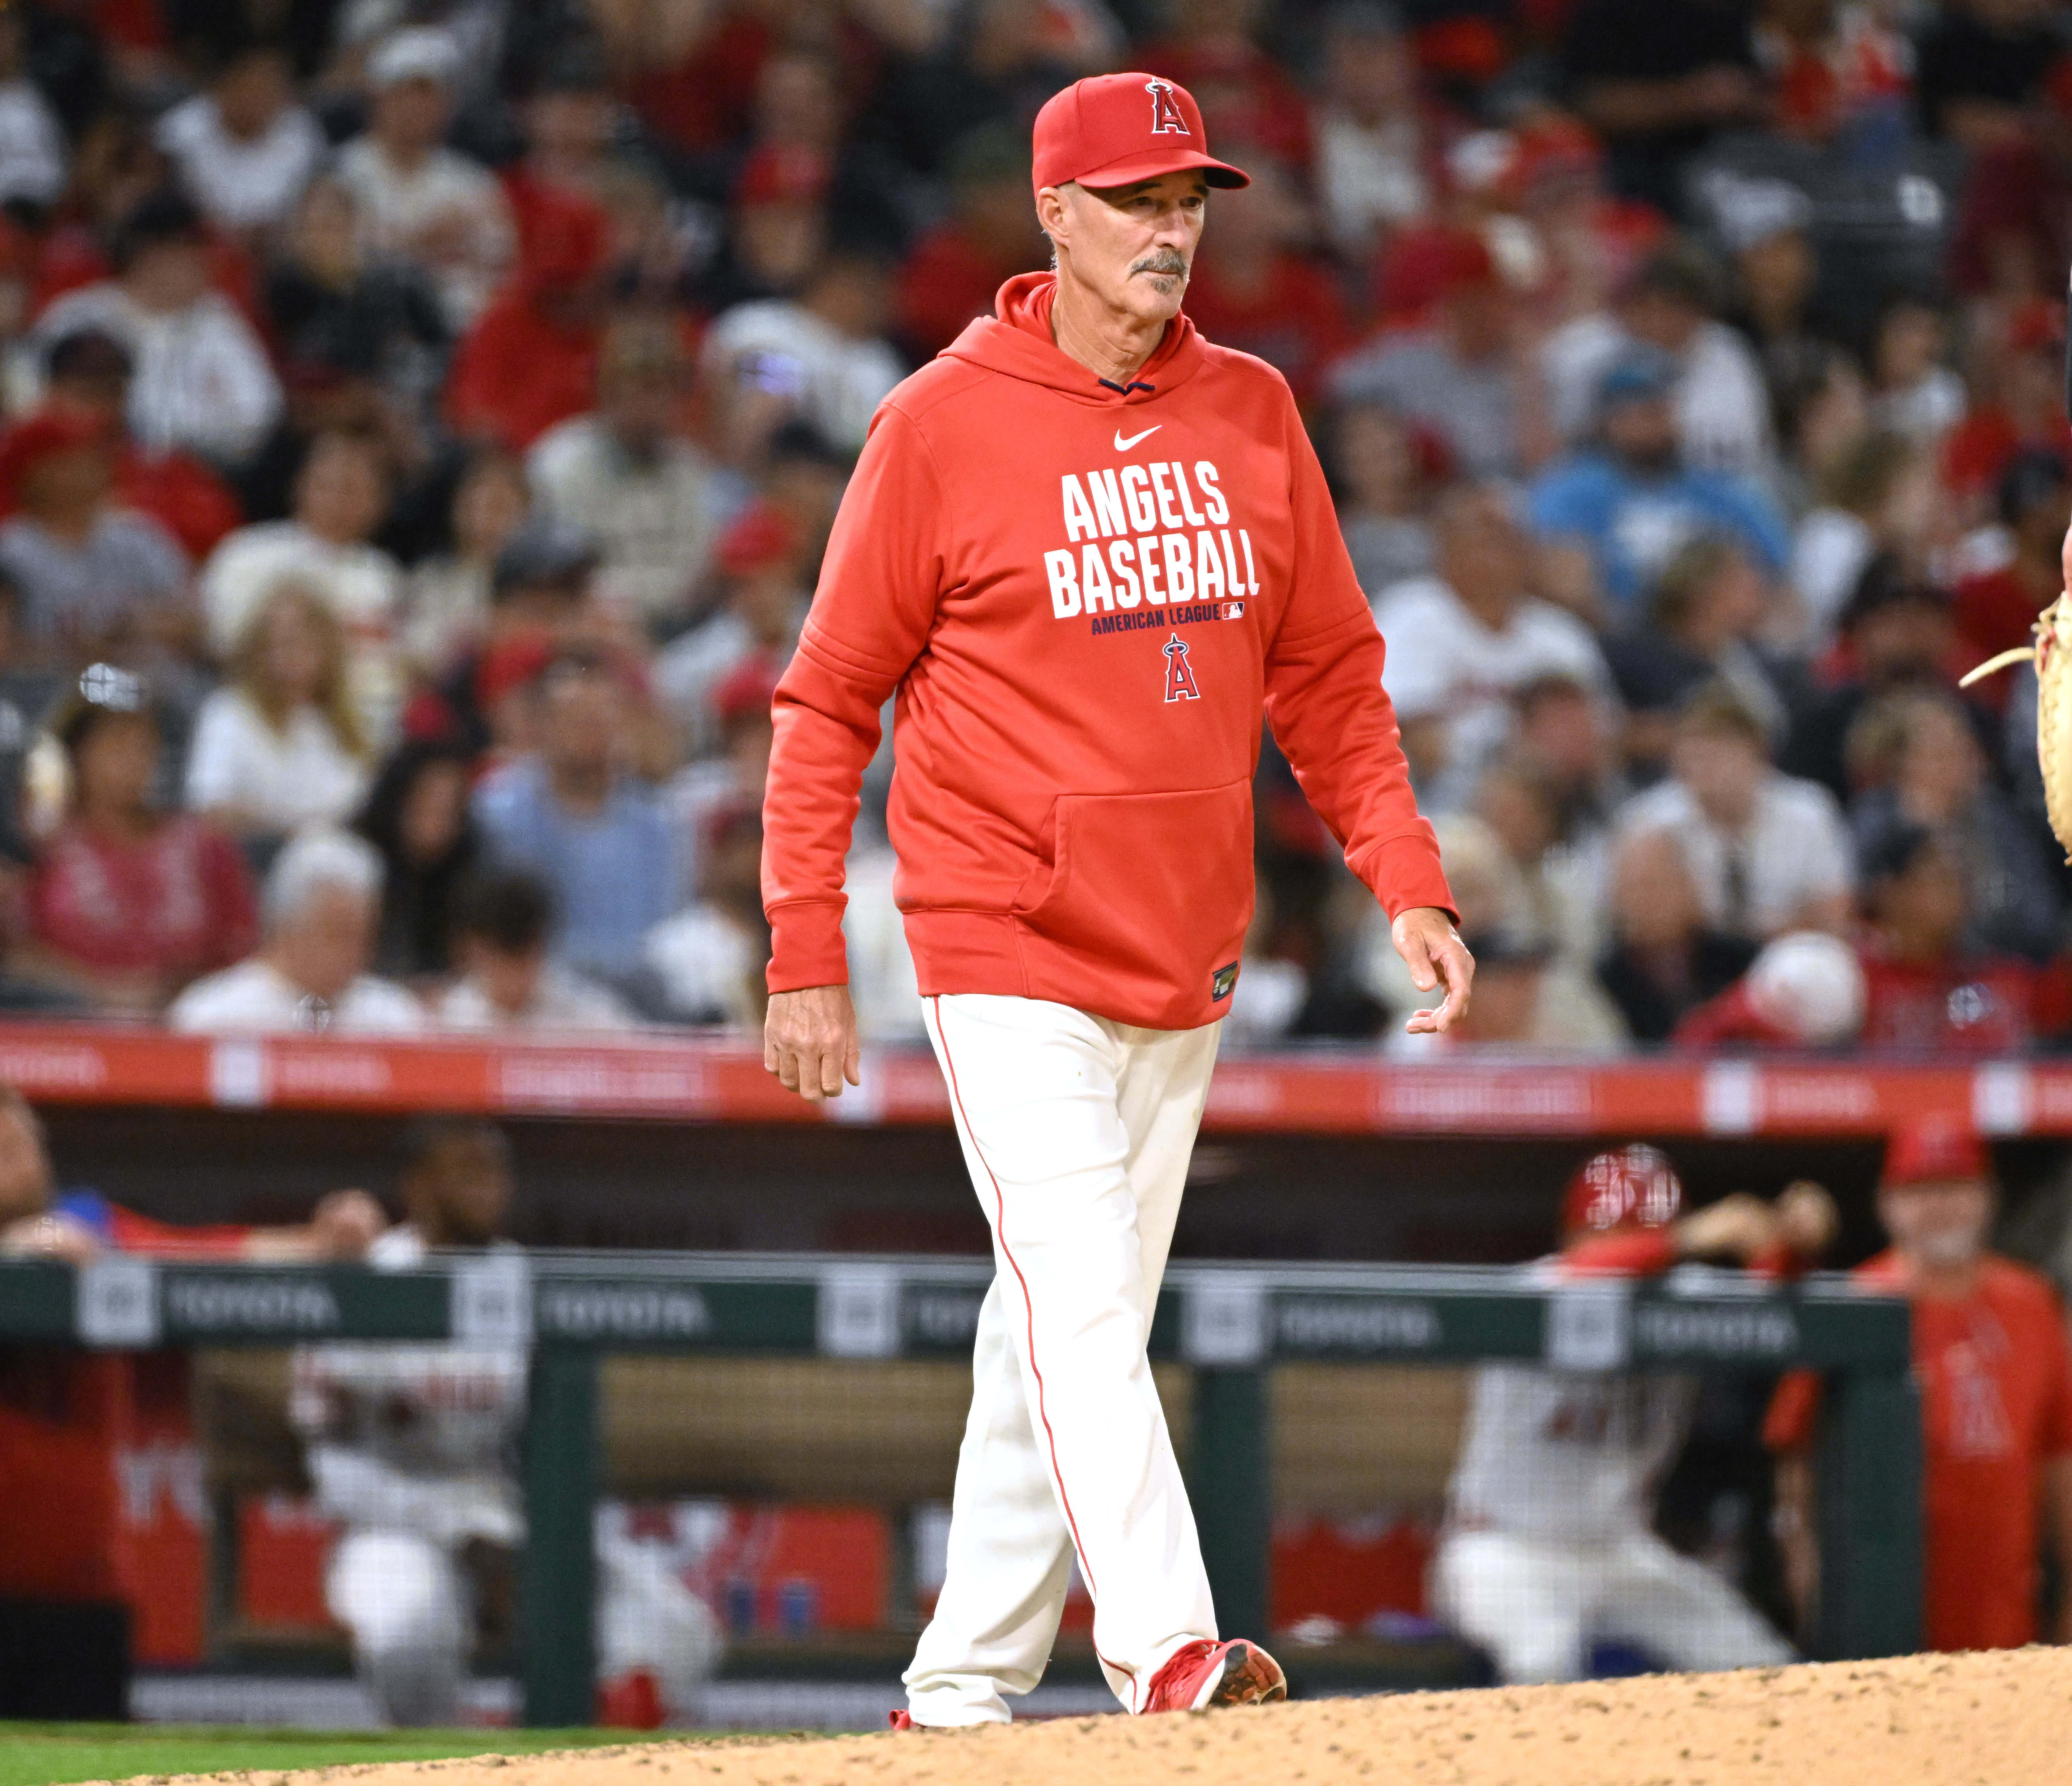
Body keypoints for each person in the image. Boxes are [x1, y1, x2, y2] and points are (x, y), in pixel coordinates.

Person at [758, 73, 1468, 1726]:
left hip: (1183, 944)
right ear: (1054, 215)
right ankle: (1169, 1652)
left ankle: (954, 1691)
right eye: (1139, 202)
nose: (1172, 232)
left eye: (1191, 201)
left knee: (1055, 1326)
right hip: (999, 935)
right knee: (1083, 1296)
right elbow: (822, 703)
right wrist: (803, 948)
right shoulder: (936, 423)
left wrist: (1404, 879)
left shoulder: (1253, 408)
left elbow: (1331, 678)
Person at [290, 1119, 718, 1727]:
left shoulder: (531, 1286)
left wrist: (535, 1546)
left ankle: (591, 1764)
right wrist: (455, 1537)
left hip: (510, 1521)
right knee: (404, 1639)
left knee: (678, 1631)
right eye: (467, 1171)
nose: (489, 1188)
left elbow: (555, 1451)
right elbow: (334, 1469)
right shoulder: (367, 1286)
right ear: (417, 1187)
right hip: (394, 1526)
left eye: (497, 1171)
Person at [1434, 1144, 1817, 1682]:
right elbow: (1588, 1274)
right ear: (1573, 1237)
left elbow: (1773, 1301)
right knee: (1541, 1660)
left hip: (1617, 1550)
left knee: (1761, 1666)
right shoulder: (1537, 1287)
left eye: (1640, 1231)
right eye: (1613, 1232)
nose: (1629, 1249)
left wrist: (1788, 1244)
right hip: (1503, 1550)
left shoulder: (1682, 1295)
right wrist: (1682, 1239)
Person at [1768, 1116, 2072, 1652]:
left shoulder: (2030, 1305)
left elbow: (2060, 1458)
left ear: (1987, 1197)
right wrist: (1806, 1571)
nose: (1939, 1205)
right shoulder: (1855, 1302)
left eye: (1955, 1186)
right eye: (1920, 1190)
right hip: (1878, 1597)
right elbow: (1796, 1455)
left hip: (1999, 1605)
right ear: (1886, 1205)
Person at [21, 668, 257, 1014]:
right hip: (65, 1029)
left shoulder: (205, 846)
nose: (134, 760)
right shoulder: (41, 844)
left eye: (144, 745)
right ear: (76, 753)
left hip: (188, 1025)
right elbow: (16, 952)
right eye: (117, 743)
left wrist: (179, 993)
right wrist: (99, 992)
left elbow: (243, 950)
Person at [1373, 483, 1609, 805]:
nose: (1497, 552)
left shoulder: (1560, 632)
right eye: (1483, 538)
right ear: (1445, 549)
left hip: (1557, 802)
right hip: (1440, 806)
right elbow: (1400, 731)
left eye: (1509, 539)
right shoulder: (1410, 615)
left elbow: (1602, 733)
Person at [1528, 348, 1791, 622]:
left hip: (1717, 637)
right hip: (1617, 638)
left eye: (1662, 408)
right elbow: (1561, 585)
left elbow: (1778, 576)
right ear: (1608, 421)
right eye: (1640, 412)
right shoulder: (1572, 490)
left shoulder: (1719, 489)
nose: (1655, 423)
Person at [32, 189, 282, 467]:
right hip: (90, 465)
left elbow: (260, 411)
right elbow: (34, 398)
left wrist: (182, 438)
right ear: (150, 257)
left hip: (199, 471)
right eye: (190, 256)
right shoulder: (80, 315)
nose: (205, 268)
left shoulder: (216, 318)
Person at [471, 650, 675, 990]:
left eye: (598, 721)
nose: (588, 734)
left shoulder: (658, 823)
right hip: (533, 995)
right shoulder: (498, 813)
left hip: (639, 999)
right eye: (574, 720)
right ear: (543, 725)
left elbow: (667, 935)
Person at [0, 1084, 381, 1263]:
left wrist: (322, 1242)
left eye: (24, 1146)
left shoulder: (78, 1217)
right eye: (4, 1154)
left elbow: (191, 1252)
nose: (24, 1165)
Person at [199, 430, 402, 748]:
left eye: (354, 490)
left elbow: (389, 668)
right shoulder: (249, 553)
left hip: (368, 729)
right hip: (272, 720)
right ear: (300, 486)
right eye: (328, 485)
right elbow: (226, 645)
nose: (339, 502)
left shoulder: (382, 574)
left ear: (379, 503)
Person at [526, 314, 729, 633]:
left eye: (663, 389)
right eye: (638, 388)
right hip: (589, 631)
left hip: (681, 628)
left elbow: (701, 568)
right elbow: (562, 572)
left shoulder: (690, 469)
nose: (651, 404)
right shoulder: (561, 462)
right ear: (606, 391)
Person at [1614, 683, 1854, 945]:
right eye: (1692, 752)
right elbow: (1641, 919)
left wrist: (1756, 945)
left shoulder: (1808, 812)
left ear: (1758, 752)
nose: (1702, 765)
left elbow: (1832, 914)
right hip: (1692, 963)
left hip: (1787, 956)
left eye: (1717, 751)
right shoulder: (1648, 820)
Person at [334, 27, 514, 333]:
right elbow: (331, 263)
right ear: (379, 97)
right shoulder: (342, 171)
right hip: (366, 330)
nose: (419, 107)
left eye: (432, 95)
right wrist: (419, 244)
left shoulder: (471, 181)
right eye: (408, 92)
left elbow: (500, 264)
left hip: (457, 332)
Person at [168, 827, 425, 1033]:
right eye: (338, 933)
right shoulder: (213, 1015)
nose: (356, 952)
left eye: (365, 936)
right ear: (288, 926)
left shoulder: (395, 1017)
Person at [185, 580, 372, 848]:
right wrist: (290, 832)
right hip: (258, 856)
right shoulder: (228, 712)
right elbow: (211, 810)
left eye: (307, 639)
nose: (295, 652)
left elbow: (363, 807)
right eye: (284, 640)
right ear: (259, 647)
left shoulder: (342, 724)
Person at [0, 411, 189, 663]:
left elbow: (192, 619)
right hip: (45, 692)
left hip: (151, 683)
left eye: (89, 456)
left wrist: (129, 626)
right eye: (65, 459)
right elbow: (10, 651)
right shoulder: (11, 550)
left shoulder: (138, 535)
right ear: (31, 472)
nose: (84, 468)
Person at [154, 40, 322, 238]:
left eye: (272, 88)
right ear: (228, 84)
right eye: (254, 86)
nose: (261, 98)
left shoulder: (302, 134)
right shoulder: (180, 131)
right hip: (193, 240)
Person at [435, 869, 632, 1032]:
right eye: (500, 959)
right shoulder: (448, 1024)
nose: (512, 975)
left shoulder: (592, 1018)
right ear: (473, 951)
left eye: (522, 958)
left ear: (541, 946)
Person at [354, 740, 479, 984]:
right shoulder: (357, 866)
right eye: (428, 802)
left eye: (451, 808)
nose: (439, 819)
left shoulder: (466, 874)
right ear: (399, 798)